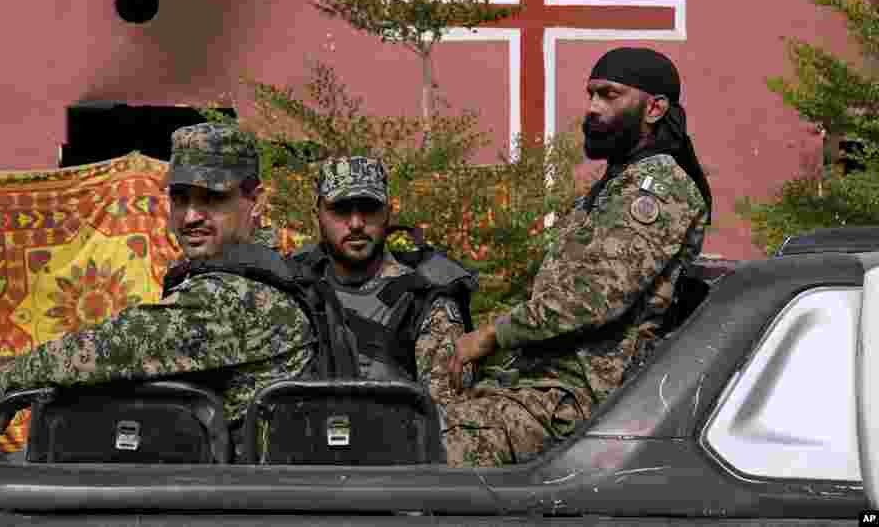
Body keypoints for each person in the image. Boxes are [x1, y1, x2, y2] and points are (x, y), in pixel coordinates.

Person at [0, 123, 319, 436]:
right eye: (180, 198)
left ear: (256, 201)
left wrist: (0, 384)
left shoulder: (238, 295)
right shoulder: (264, 271)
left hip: (236, 488)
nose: (191, 216)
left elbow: (110, 348)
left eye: (212, 198)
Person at [441, 46, 712, 467]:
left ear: (654, 108)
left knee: (439, 450)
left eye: (609, 95)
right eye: (591, 94)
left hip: (588, 399)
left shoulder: (658, 189)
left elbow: (593, 296)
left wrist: (492, 334)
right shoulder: (616, 185)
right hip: (540, 383)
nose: (592, 108)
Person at [292, 156, 477, 413]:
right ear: (318, 215)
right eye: (341, 209)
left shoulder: (425, 301)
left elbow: (445, 420)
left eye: (369, 208)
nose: (356, 223)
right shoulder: (292, 287)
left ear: (388, 212)